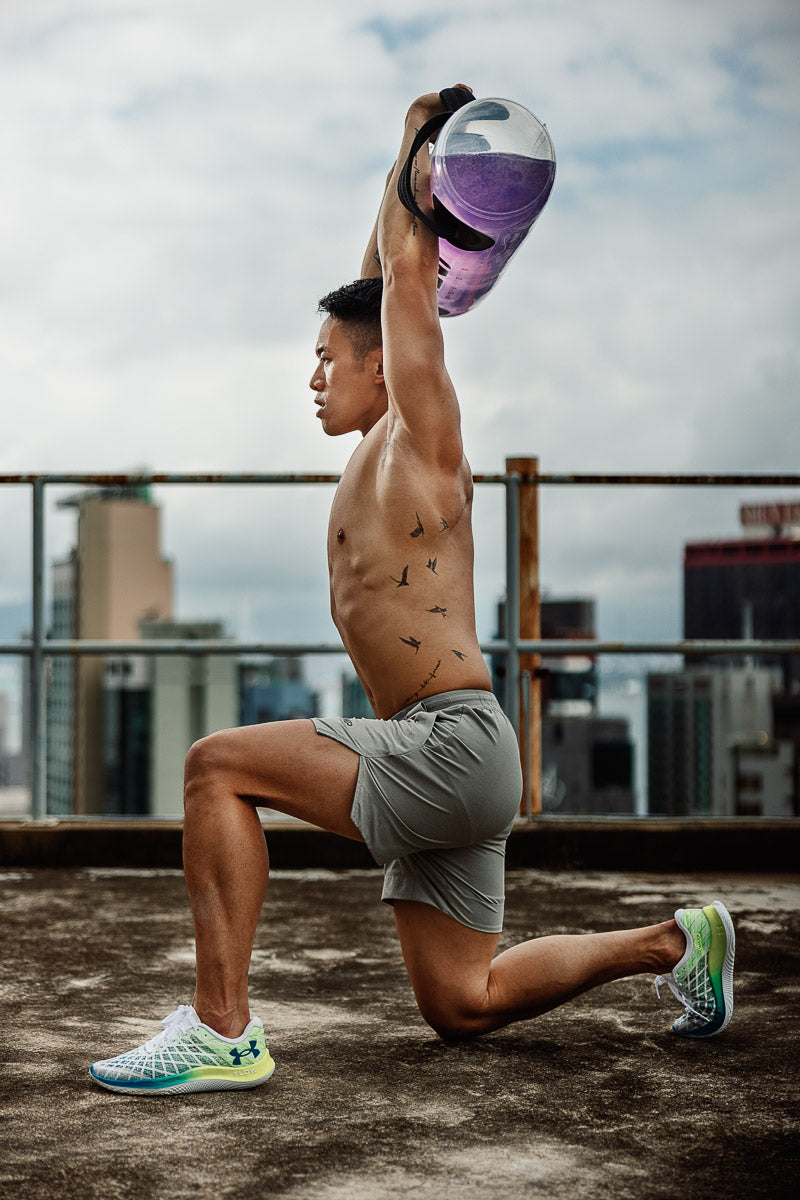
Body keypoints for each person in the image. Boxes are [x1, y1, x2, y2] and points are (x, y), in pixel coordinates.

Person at [90, 88, 736, 1096]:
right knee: (461, 1002)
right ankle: (671, 944)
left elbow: (398, 282)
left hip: (447, 742)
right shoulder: (373, 448)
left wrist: (419, 152)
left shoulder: (422, 437)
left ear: (381, 367)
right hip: (453, 757)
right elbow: (372, 286)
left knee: (215, 769)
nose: (310, 379)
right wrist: (397, 155)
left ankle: (222, 1030)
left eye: (322, 362)